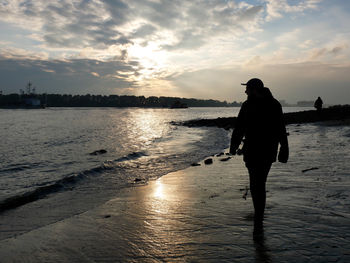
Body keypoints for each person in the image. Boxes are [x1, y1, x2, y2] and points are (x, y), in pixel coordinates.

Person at [230, 78, 289, 228]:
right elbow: (281, 129)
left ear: (254, 89)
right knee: (259, 182)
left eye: (247, 88)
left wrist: (233, 145)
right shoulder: (274, 104)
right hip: (268, 150)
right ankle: (259, 213)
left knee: (256, 183)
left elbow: (239, 127)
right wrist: (284, 148)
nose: (245, 91)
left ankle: (258, 215)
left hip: (255, 150)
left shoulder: (249, 105)